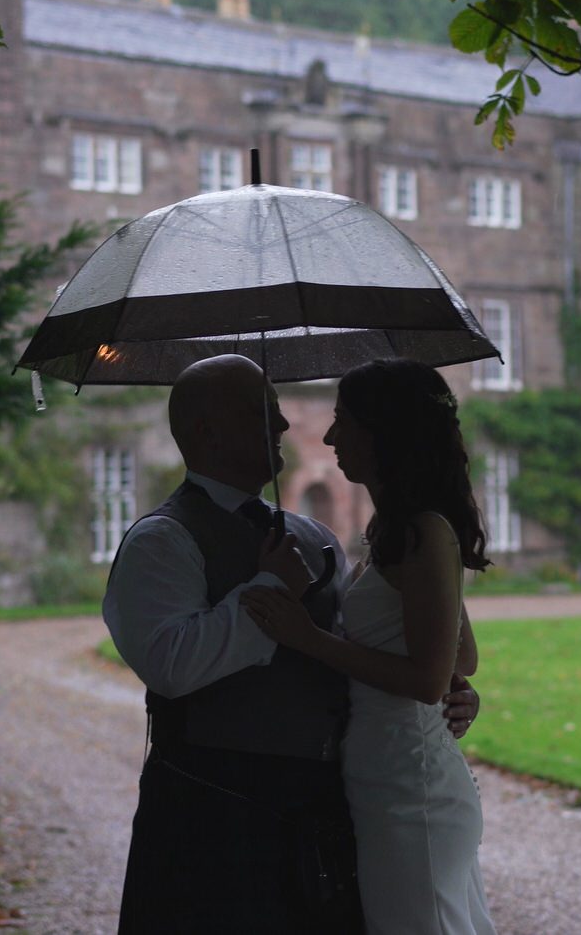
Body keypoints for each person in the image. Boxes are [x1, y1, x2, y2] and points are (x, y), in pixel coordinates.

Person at [102, 354, 479, 933]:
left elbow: (374, 648)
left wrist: (449, 688)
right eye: (262, 412)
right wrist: (270, 588)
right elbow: (171, 664)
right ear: (207, 431)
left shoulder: (313, 535)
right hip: (216, 808)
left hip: (329, 804)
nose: (283, 425)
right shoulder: (162, 540)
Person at [242, 358, 497, 935]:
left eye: (344, 421)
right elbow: (461, 659)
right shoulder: (394, 530)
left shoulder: (425, 532)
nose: (331, 436)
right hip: (384, 775)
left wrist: (308, 638)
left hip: (413, 787)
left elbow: (432, 677)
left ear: (384, 431)